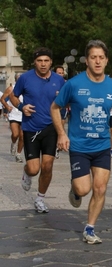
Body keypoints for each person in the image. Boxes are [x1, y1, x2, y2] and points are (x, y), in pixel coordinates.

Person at [50, 40, 112, 245]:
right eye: (93, 57)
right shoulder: (74, 84)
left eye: (101, 57)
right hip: (79, 146)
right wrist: (61, 134)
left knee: (101, 188)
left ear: (106, 60)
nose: (97, 61)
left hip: (103, 145)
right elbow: (54, 108)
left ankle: (90, 228)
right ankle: (75, 189)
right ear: (87, 60)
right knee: (83, 189)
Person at [9, 47, 65, 213]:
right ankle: (26, 173)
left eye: (46, 61)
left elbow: (64, 102)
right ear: (34, 62)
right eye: (39, 61)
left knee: (47, 166)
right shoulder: (25, 78)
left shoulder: (59, 80)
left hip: (51, 128)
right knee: (34, 169)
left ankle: (40, 198)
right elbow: (12, 96)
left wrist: (62, 128)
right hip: (31, 128)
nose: (43, 64)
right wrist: (21, 106)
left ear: (51, 62)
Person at [0, 73, 24, 163]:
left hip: (24, 115)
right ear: (16, 79)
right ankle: (13, 144)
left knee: (22, 136)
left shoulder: (27, 89)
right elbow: (2, 99)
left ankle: (18, 154)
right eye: (19, 78)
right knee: (15, 134)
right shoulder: (11, 88)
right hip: (14, 114)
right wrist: (7, 106)